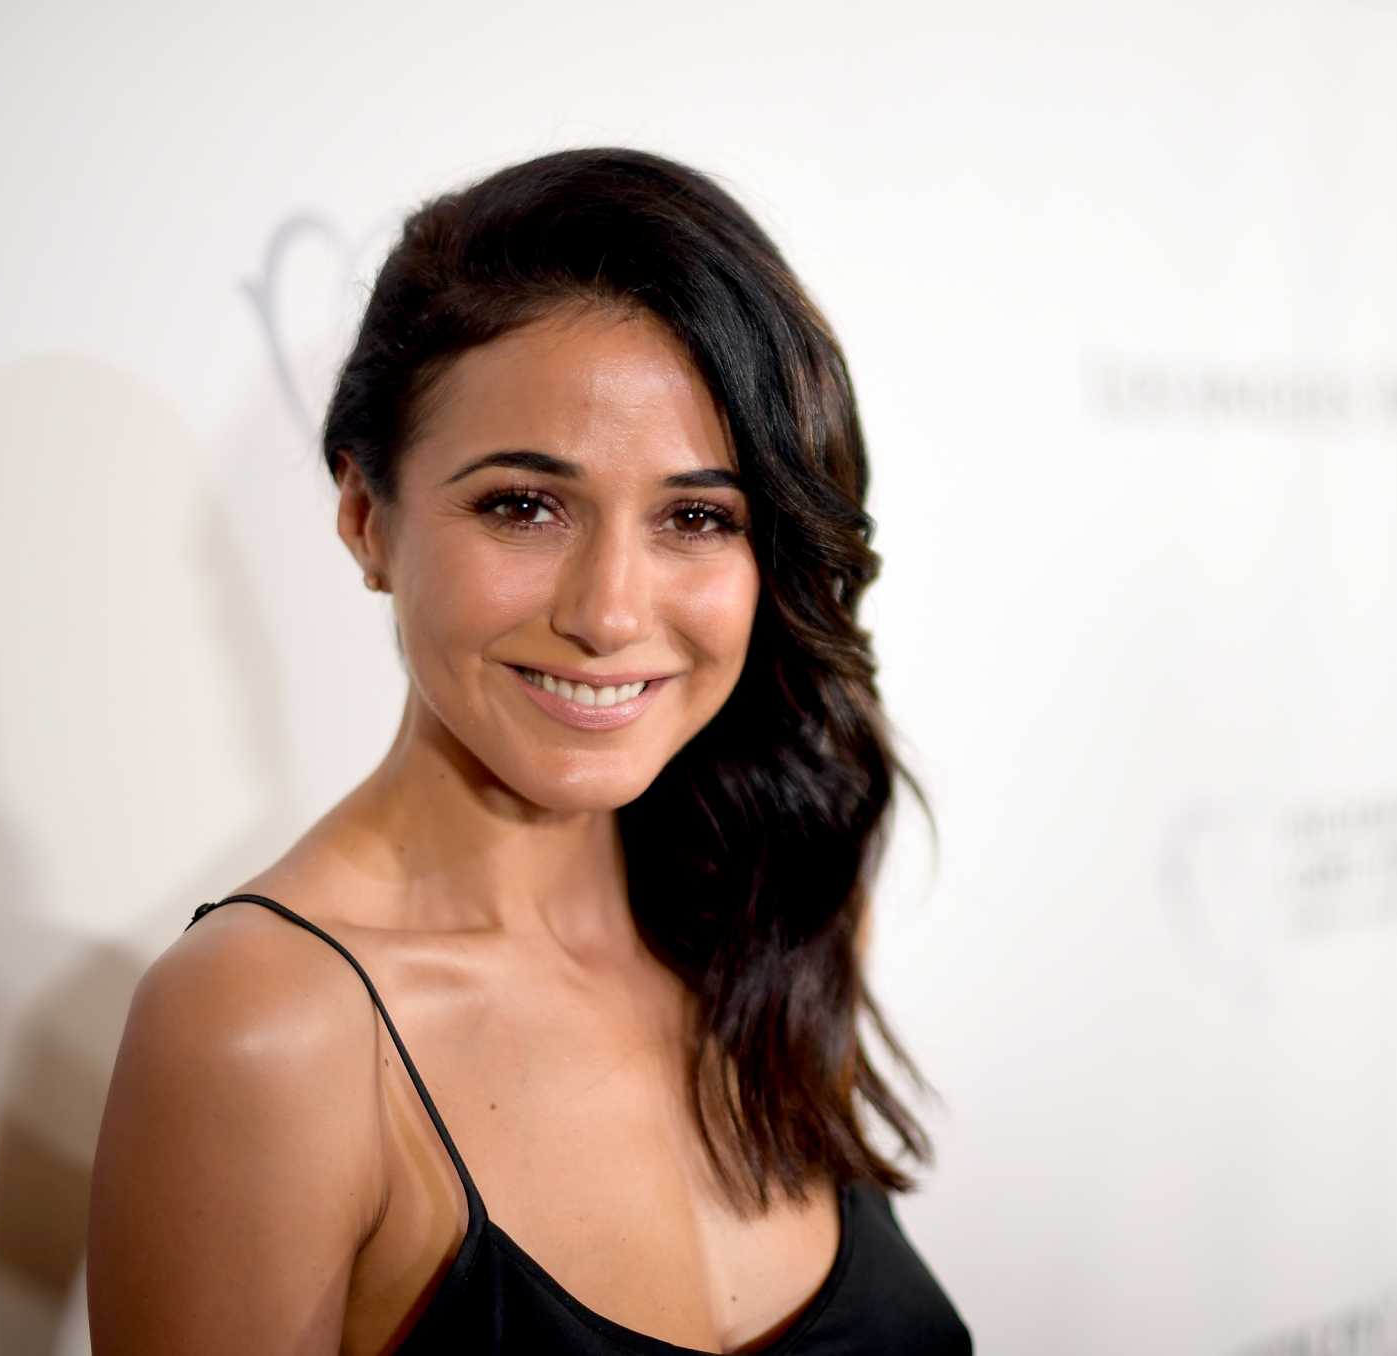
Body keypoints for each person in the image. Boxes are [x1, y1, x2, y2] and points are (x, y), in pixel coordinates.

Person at [86, 148, 972, 1355]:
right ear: (366, 515)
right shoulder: (263, 1030)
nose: (608, 613)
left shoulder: (771, 906)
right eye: (524, 505)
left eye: (697, 517)